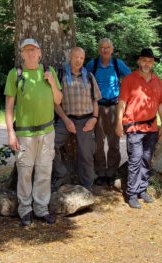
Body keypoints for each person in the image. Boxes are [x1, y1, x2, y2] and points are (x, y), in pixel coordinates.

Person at [4, 38, 62, 226]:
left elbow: (59, 100)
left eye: (33, 49)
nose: (30, 53)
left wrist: (52, 83)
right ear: (21, 54)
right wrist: (11, 133)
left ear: (40, 53)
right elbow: (9, 107)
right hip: (24, 133)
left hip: (47, 131)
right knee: (25, 172)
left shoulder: (49, 71)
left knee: (45, 171)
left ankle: (41, 209)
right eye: (26, 50)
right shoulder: (16, 74)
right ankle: (25, 210)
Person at [116, 48, 162, 209]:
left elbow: (161, 104)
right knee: (135, 159)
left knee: (146, 160)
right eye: (144, 60)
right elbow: (122, 103)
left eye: (150, 61)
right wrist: (118, 123)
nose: (146, 63)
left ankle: (141, 189)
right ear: (138, 61)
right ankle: (131, 194)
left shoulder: (158, 81)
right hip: (134, 128)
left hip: (151, 128)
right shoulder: (129, 79)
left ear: (153, 63)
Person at [53, 47, 101, 191]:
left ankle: (87, 187)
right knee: (49, 144)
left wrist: (94, 118)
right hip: (65, 119)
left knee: (86, 155)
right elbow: (55, 103)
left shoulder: (89, 76)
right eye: (76, 57)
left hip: (86, 120)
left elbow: (95, 100)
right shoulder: (60, 74)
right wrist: (66, 121)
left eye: (81, 58)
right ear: (70, 57)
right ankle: (61, 173)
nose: (78, 60)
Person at [85, 38, 132, 186]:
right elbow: (84, 82)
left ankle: (111, 172)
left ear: (112, 50)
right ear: (99, 50)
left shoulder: (118, 64)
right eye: (102, 48)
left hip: (114, 107)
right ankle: (100, 172)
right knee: (98, 142)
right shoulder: (92, 64)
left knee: (114, 141)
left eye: (108, 48)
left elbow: (130, 79)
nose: (105, 50)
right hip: (96, 107)